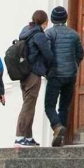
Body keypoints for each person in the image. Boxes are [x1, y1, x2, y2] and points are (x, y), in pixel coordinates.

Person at [9, 10, 54, 148]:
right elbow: (48, 54)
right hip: (34, 74)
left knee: (29, 104)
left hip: (24, 73)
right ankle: (20, 136)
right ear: (45, 22)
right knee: (28, 105)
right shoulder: (39, 35)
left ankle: (28, 137)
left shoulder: (26, 31)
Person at [43, 6, 83, 146]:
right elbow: (80, 54)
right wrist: (73, 65)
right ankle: (61, 139)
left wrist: (47, 71)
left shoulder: (49, 33)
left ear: (53, 19)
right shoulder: (74, 34)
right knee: (64, 106)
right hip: (70, 75)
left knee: (49, 105)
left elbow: (46, 53)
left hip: (55, 74)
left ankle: (57, 126)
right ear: (65, 18)